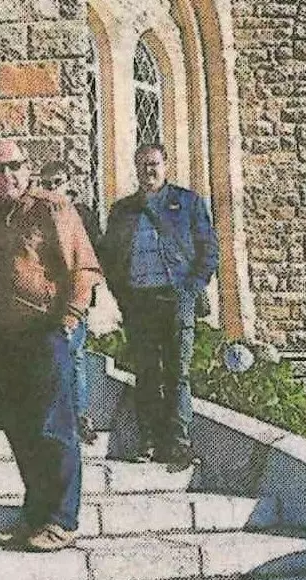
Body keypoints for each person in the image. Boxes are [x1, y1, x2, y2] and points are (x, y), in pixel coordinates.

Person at [0, 140, 102, 552]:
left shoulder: (52, 208)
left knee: (54, 427)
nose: (9, 176)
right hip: (5, 339)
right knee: (21, 431)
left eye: (16, 167)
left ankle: (62, 518)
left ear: (29, 169)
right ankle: (36, 513)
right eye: (0, 170)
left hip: (45, 333)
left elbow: (84, 267)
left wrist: (68, 320)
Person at [100, 143, 219, 470]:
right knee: (147, 373)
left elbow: (209, 250)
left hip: (176, 298)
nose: (148, 171)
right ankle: (149, 442)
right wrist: (123, 297)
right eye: (142, 165)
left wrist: (191, 289)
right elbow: (110, 258)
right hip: (140, 302)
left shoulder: (188, 203)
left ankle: (178, 444)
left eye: (153, 164)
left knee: (177, 373)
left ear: (165, 166)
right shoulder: (123, 210)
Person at [39, 161, 102, 444]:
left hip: (75, 298)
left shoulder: (83, 215)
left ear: (69, 183)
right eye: (47, 183)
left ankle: (79, 416)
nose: (52, 188)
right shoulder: (38, 213)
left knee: (74, 355)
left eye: (57, 182)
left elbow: (95, 256)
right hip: (47, 299)